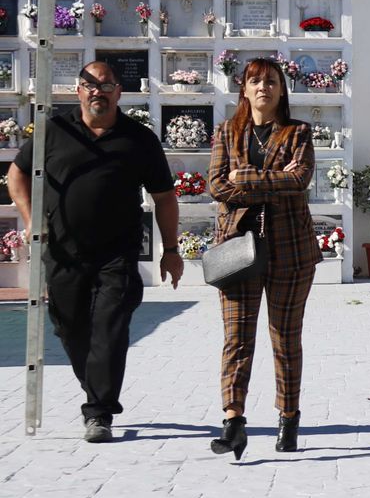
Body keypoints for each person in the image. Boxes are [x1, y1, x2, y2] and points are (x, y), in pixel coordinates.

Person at [7, 63, 181, 443]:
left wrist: (171, 250)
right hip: (64, 254)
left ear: (119, 92)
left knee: (110, 329)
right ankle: (96, 390)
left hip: (117, 254)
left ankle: (99, 412)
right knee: (70, 328)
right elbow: (16, 174)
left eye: (106, 85)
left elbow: (165, 197)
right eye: (90, 85)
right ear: (78, 89)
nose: (97, 91)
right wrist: (31, 218)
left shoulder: (139, 139)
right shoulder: (54, 131)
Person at [207, 56, 322, 457]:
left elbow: (300, 178)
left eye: (271, 81)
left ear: (281, 90)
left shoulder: (298, 132)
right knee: (236, 339)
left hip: (290, 250)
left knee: (285, 339)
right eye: (255, 81)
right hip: (238, 249)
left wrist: (246, 177)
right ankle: (233, 421)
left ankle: (288, 418)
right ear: (244, 89)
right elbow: (216, 185)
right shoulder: (226, 132)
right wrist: (271, 182)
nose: (263, 88)